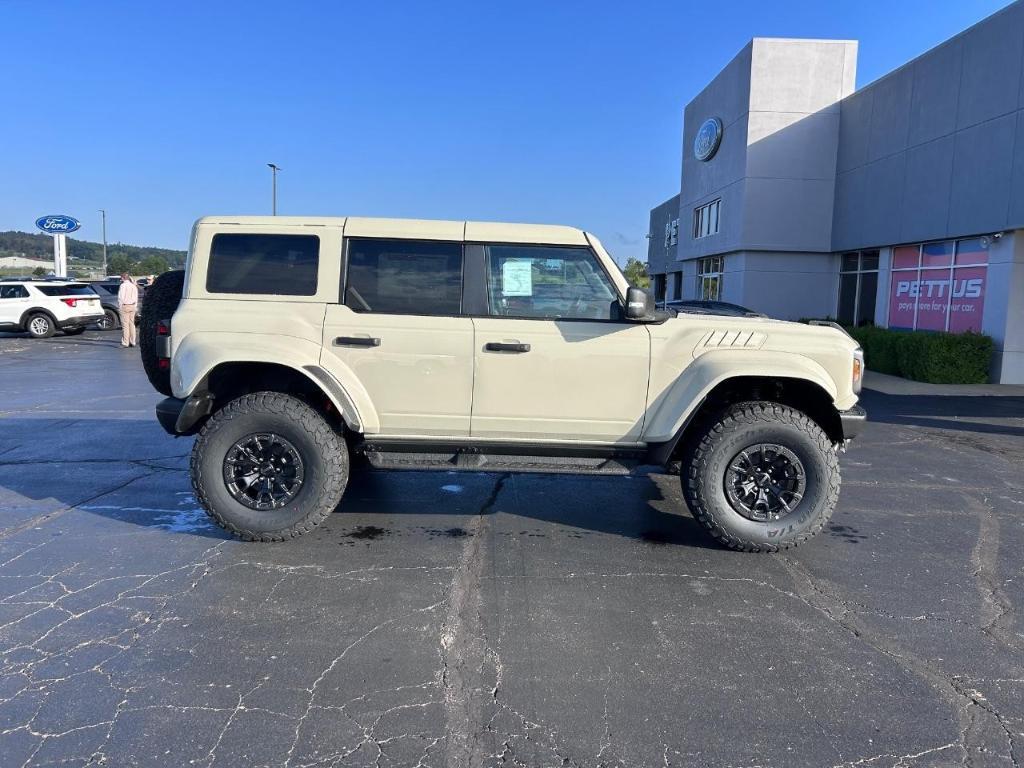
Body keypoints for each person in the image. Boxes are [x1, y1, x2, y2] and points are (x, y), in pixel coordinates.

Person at [117, 273, 139, 347]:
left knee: (125, 325)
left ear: (122, 278)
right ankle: (133, 341)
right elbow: (136, 297)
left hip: (125, 306)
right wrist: (135, 306)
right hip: (132, 306)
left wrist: (120, 306)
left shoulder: (123, 285)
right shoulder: (133, 286)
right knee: (132, 324)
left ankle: (125, 342)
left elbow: (121, 297)